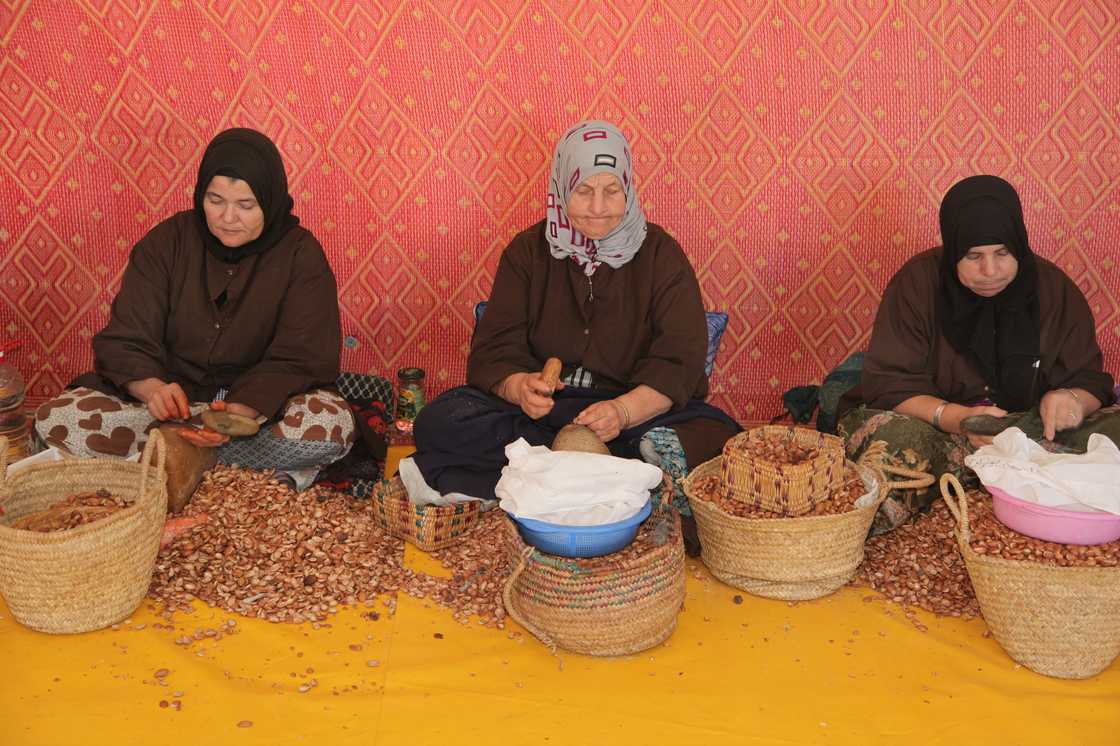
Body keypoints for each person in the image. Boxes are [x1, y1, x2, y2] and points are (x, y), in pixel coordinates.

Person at [411, 120, 740, 540]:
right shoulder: (528, 252)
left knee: (716, 439)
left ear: (629, 188)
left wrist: (622, 412)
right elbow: (494, 346)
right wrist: (519, 388)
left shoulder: (661, 255)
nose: (599, 207)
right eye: (584, 191)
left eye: (611, 191)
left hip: (631, 416)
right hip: (544, 416)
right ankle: (617, 477)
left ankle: (551, 477)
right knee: (440, 422)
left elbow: (681, 358)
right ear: (561, 189)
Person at [35, 128, 353, 497]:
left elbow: (301, 355)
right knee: (57, 417)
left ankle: (174, 458)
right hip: (166, 411)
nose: (228, 217)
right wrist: (152, 388)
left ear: (271, 198)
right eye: (215, 199)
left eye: (246, 205)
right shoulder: (167, 243)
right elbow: (126, 338)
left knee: (329, 424)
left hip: (259, 413)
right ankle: (221, 463)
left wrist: (239, 412)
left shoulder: (301, 255)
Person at [838, 174, 1119, 534]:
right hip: (938, 430)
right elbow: (888, 384)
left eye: (1003, 253)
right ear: (954, 249)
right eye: (974, 256)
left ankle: (1015, 485)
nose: (990, 271)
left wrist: (1071, 400)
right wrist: (957, 419)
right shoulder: (918, 284)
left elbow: (1089, 380)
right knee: (897, 448)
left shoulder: (1054, 290)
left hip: (1031, 435)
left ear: (1019, 244)